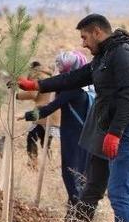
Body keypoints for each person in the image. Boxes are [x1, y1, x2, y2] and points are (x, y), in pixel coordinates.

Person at [15, 14, 129, 222]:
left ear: (97, 32)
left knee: (120, 192)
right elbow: (74, 78)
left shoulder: (123, 54)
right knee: (93, 186)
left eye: (85, 37)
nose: (83, 43)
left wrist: (115, 133)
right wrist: (37, 84)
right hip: (108, 131)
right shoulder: (104, 55)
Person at [20, 50, 91, 206]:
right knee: (81, 172)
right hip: (87, 134)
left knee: (70, 172)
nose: (57, 70)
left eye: (60, 67)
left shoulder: (71, 88)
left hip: (72, 135)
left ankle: (76, 208)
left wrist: (27, 116)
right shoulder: (88, 87)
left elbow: (49, 108)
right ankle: (77, 208)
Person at [17, 62, 59, 165]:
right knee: (45, 143)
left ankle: (33, 163)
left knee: (31, 138)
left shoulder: (37, 76)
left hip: (42, 114)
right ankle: (51, 165)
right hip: (54, 114)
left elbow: (32, 94)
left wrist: (17, 95)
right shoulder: (49, 74)